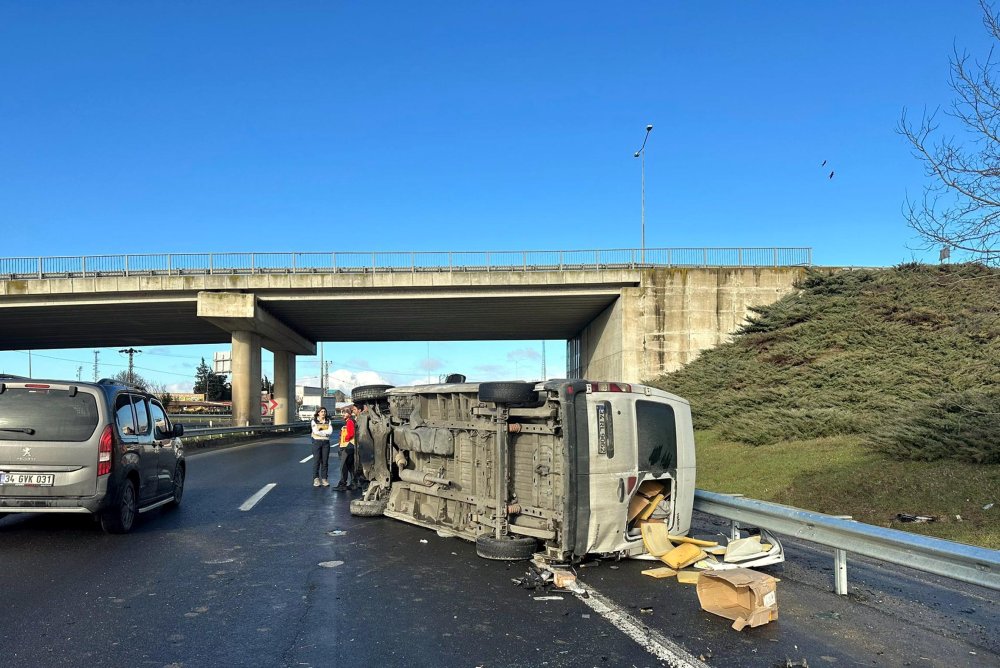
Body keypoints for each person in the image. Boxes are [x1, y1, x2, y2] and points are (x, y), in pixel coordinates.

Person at [335, 407, 358, 491]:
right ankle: (353, 483)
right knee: (350, 466)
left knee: (343, 466)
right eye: (343, 413)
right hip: (351, 446)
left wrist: (346, 439)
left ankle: (342, 484)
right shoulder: (351, 421)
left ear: (349, 414)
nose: (343, 414)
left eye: (345, 413)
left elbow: (351, 433)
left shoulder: (349, 421)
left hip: (347, 446)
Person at [310, 407, 333, 487]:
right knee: (316, 461)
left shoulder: (328, 421)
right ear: (318, 413)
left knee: (325, 462)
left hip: (326, 442)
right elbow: (315, 431)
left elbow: (330, 431)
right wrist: (324, 432)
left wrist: (321, 431)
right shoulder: (314, 421)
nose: (323, 413)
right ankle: (316, 479)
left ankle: (324, 479)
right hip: (316, 442)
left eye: (324, 411)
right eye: (322, 411)